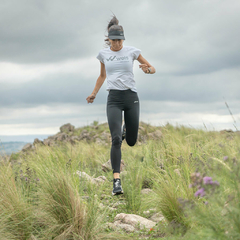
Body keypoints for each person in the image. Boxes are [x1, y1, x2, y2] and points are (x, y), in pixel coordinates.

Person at [86, 16, 156, 195]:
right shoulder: (104, 55)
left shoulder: (132, 52)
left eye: (119, 40)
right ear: (108, 39)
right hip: (114, 99)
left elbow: (151, 68)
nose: (116, 44)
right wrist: (94, 93)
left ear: (123, 39)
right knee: (116, 139)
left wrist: (147, 69)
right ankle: (116, 181)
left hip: (131, 98)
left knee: (131, 141)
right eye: (113, 40)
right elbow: (102, 76)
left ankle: (127, 131)